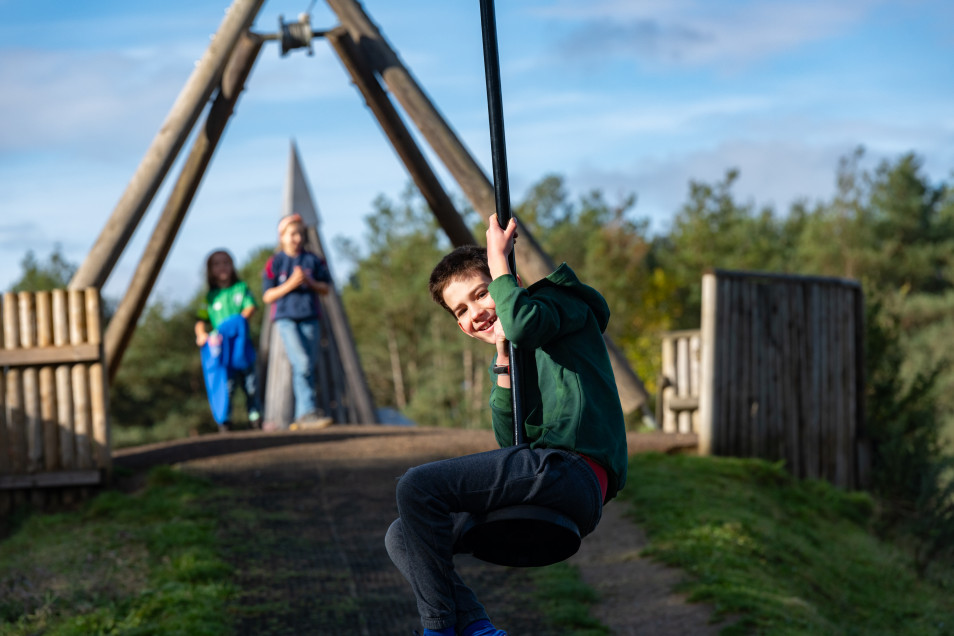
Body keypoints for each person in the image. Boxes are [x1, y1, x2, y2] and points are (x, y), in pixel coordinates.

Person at [385, 214, 629, 636]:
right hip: (544, 480)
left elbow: (522, 321)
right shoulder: (517, 352)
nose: (475, 313)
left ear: (507, 282)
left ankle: (438, 628)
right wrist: (502, 362)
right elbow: (509, 446)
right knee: (404, 533)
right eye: (461, 310)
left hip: (574, 474)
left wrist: (499, 261)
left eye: (482, 294)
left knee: (416, 485)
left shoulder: (559, 305)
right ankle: (478, 628)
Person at [262, 213, 333, 430]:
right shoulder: (275, 262)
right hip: (286, 319)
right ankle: (307, 412)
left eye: (299, 234)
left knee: (307, 367)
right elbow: (267, 296)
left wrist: (309, 281)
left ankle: (303, 415)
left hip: (310, 317)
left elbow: (326, 289)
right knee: (301, 362)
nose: (297, 238)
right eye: (292, 234)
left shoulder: (313, 260)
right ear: (281, 236)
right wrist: (291, 283)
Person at [195, 249, 261, 432]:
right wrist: (201, 334)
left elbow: (249, 309)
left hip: (241, 346)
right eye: (216, 264)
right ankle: (225, 421)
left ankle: (255, 417)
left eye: (226, 262)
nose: (222, 267)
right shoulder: (209, 297)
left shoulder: (241, 288)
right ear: (210, 269)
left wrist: (235, 325)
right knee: (227, 386)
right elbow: (200, 321)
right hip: (222, 351)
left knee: (250, 384)